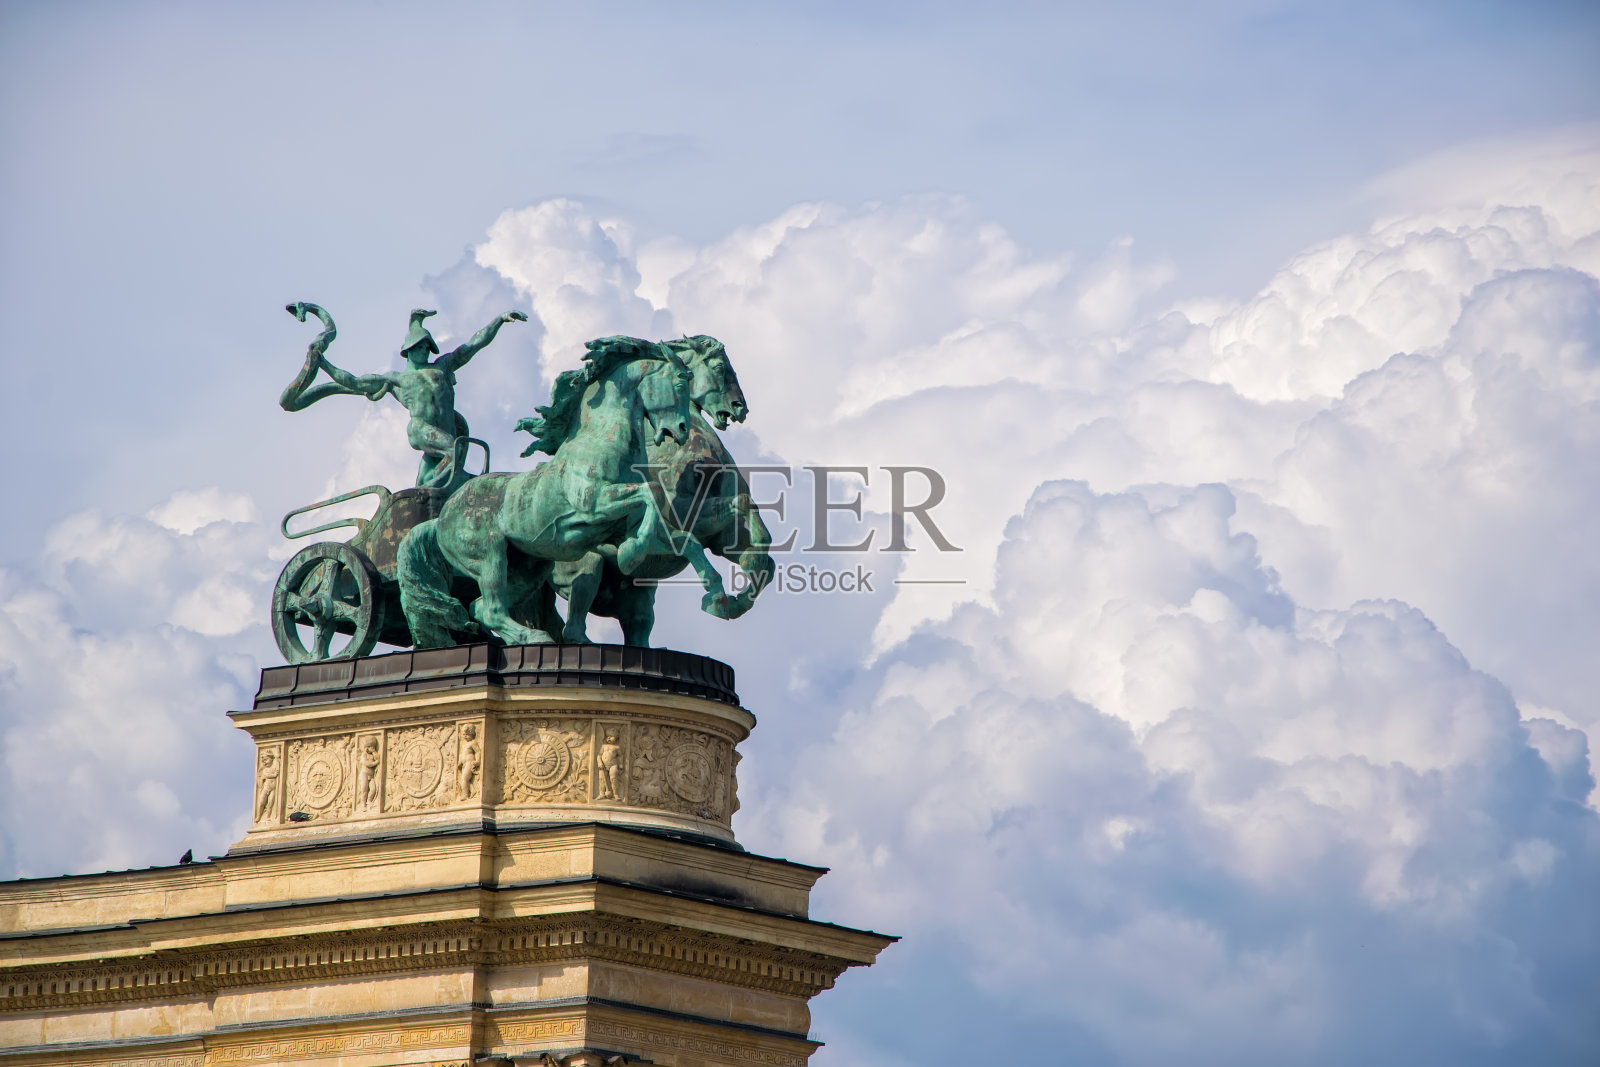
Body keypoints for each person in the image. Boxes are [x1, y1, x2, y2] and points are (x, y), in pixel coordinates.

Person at [281, 302, 527, 489]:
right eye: (418, 346)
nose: (423, 350)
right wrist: (322, 363)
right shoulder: (396, 379)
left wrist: (499, 320)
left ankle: (425, 497)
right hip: (421, 429)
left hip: (447, 430)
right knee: (453, 452)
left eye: (425, 346)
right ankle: (443, 488)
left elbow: (472, 345)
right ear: (408, 350)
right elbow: (353, 381)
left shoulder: (442, 366)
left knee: (431, 475)